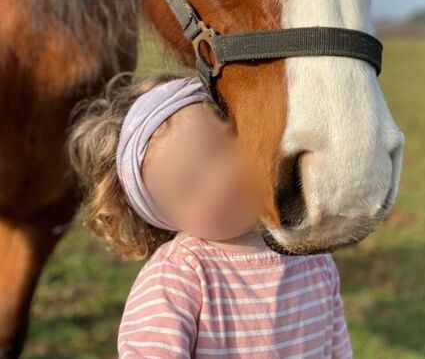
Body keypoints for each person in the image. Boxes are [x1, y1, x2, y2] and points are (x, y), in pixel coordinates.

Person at [67, 71, 353, 358]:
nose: (220, 182)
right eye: (188, 186)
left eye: (216, 150)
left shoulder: (310, 254)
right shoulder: (179, 276)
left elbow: (336, 345)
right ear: (166, 219)